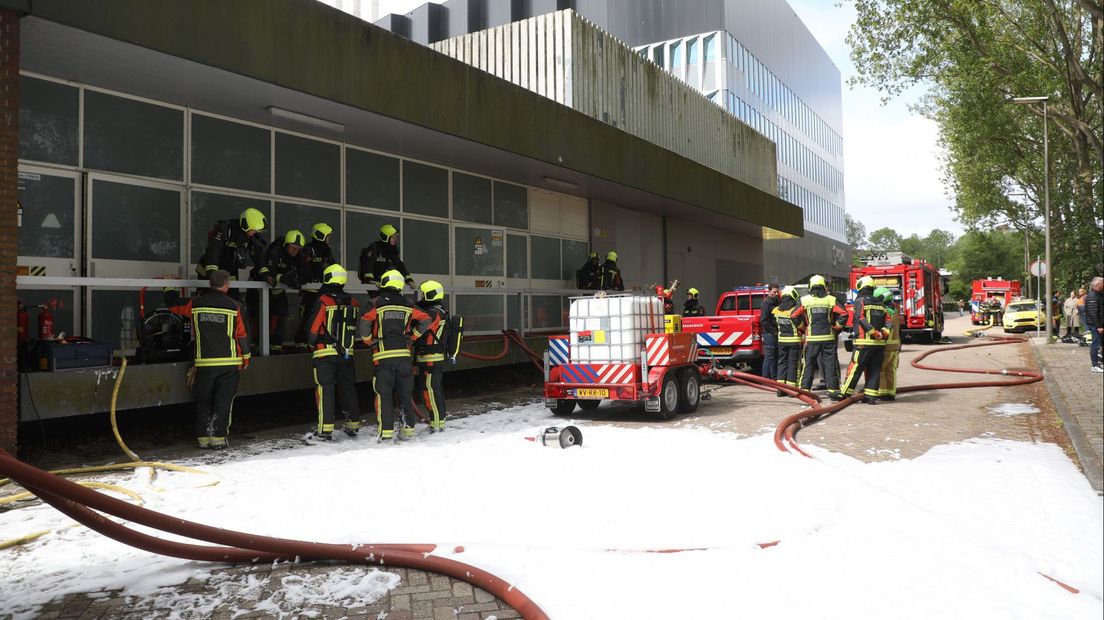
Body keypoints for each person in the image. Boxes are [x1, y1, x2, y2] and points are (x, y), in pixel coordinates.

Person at [167, 270, 250, 449]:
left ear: (210, 284)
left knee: (204, 401)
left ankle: (203, 439)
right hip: (229, 364)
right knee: (223, 401)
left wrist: (168, 286)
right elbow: (242, 335)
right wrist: (246, 357)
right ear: (227, 284)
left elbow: (173, 305)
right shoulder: (235, 306)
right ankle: (218, 438)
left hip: (204, 363)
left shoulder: (196, 303)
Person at [360, 269, 437, 441]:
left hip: (383, 358)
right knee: (405, 395)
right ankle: (408, 431)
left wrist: (367, 341)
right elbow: (426, 319)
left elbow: (365, 322)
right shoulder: (408, 304)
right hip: (404, 358)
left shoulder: (375, 303)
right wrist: (413, 337)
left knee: (384, 395)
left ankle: (386, 434)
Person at [305, 264, 362, 439]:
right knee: (348, 388)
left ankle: (325, 430)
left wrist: (311, 343)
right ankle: (353, 425)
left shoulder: (323, 301)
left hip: (324, 353)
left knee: (325, 389)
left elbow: (313, 329)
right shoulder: (354, 302)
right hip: (347, 353)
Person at [792, 274, 847, 400]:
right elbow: (843, 313)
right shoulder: (831, 299)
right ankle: (833, 392)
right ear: (824, 286)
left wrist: (803, 327)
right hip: (828, 338)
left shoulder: (804, 300)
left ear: (810, 286)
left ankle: (805, 391)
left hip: (812, 339)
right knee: (830, 364)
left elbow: (794, 315)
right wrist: (836, 327)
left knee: (808, 365)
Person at [841, 277, 890, 404]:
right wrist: (883, 333)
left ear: (860, 287)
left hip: (864, 342)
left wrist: (873, 333)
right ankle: (871, 396)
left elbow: (861, 318)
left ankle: (844, 393)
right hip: (879, 344)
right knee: (874, 370)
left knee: (855, 368)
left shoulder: (860, 301)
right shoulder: (881, 303)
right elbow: (888, 321)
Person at [413, 280, 452, 432]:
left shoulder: (433, 312)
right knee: (432, 389)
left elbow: (421, 328)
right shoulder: (439, 309)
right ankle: (438, 421)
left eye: (423, 294)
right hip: (430, 357)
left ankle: (437, 424)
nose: (421, 297)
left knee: (429, 390)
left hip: (431, 357)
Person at [196, 208, 269, 285]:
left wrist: (265, 274)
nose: (257, 233)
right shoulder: (224, 228)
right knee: (209, 296)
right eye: (255, 231)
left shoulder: (252, 235)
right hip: (209, 272)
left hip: (230, 273)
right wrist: (213, 272)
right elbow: (214, 249)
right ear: (246, 226)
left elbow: (258, 255)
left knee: (232, 296)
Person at [262, 230, 304, 352]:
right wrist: (282, 277)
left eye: (298, 248)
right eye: (293, 247)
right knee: (262, 316)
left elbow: (302, 272)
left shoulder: (298, 257)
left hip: (277, 290)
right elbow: (268, 271)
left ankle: (275, 347)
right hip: (261, 289)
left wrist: (297, 281)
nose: (295, 251)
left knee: (282, 314)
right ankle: (260, 346)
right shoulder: (275, 252)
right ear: (286, 244)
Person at [297, 222, 336, 346]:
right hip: (309, 292)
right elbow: (301, 267)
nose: (329, 239)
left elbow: (333, 266)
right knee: (307, 317)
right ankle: (301, 342)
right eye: (328, 236)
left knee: (320, 318)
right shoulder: (308, 249)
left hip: (323, 292)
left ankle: (314, 342)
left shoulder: (327, 251)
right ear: (320, 236)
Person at [358, 223, 415, 293]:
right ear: (385, 237)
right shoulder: (374, 248)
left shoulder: (391, 251)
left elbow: (400, 266)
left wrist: (409, 280)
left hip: (387, 285)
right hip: (375, 286)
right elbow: (367, 265)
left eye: (396, 237)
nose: (395, 240)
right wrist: (370, 280)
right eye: (393, 237)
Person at [772, 286, 805, 397]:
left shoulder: (776, 310)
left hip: (781, 341)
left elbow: (775, 325)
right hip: (795, 341)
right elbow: (801, 325)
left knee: (782, 363)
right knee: (793, 364)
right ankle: (792, 390)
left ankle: (780, 390)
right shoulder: (795, 310)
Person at [875, 287, 902, 401]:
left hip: (886, 346)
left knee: (880, 369)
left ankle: (882, 393)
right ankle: (891, 393)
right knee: (891, 370)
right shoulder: (895, 311)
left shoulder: (884, 311)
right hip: (895, 346)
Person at [759, 284, 781, 380]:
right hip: (769, 334)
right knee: (769, 357)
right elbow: (764, 320)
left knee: (774, 356)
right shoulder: (766, 303)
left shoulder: (777, 301)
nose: (775, 294)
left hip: (774, 333)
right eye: (774, 292)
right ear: (769, 291)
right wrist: (774, 331)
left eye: (777, 292)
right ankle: (766, 378)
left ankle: (773, 378)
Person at [1086, 277, 1103, 372]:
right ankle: (1095, 366)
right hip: (1096, 325)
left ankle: (1099, 363)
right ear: (1098, 284)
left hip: (1099, 324)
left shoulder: (1099, 294)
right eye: (1102, 283)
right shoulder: (1092, 295)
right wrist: (1099, 326)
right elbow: (1093, 313)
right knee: (1096, 344)